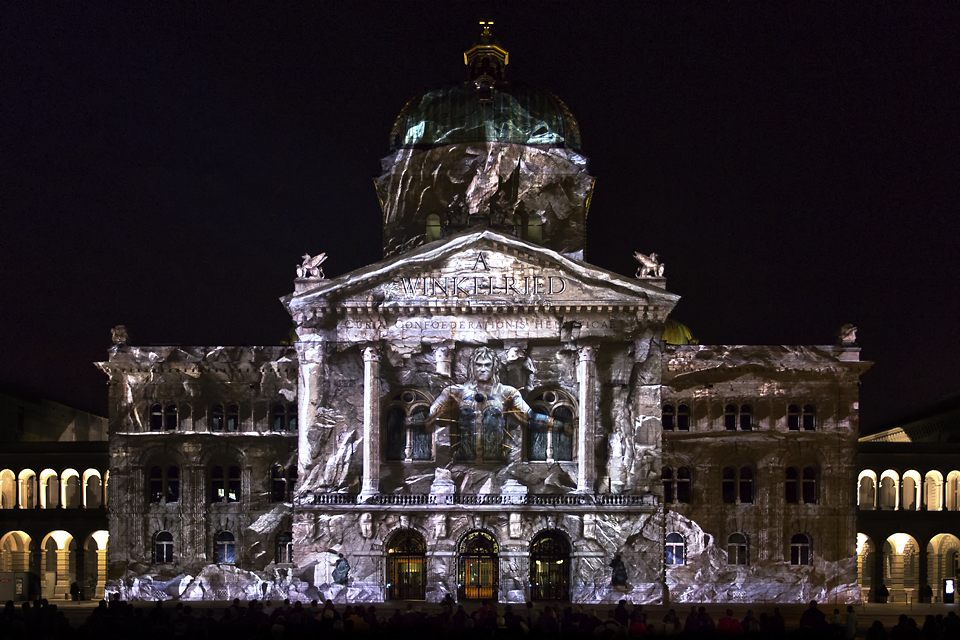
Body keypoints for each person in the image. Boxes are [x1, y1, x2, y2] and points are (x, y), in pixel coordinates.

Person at [428, 347, 563, 461]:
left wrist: (560, 424)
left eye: (487, 365)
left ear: (494, 367)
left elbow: (530, 417)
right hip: (464, 459)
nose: (482, 369)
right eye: (478, 365)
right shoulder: (455, 392)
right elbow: (431, 415)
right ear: (472, 366)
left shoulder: (507, 392)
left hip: (495, 460)